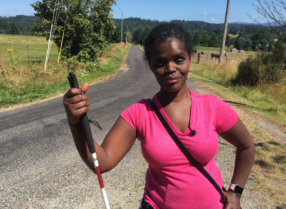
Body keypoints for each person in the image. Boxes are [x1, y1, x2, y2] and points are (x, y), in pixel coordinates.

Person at [63, 23, 255, 209]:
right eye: (160, 63)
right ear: (151, 66)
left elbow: (247, 146)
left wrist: (235, 193)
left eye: (179, 59)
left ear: (189, 59)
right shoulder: (139, 113)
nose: (170, 68)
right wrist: (75, 122)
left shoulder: (212, 107)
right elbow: (102, 161)